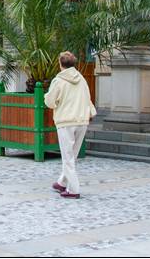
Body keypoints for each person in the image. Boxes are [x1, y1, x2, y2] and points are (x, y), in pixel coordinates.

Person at [43, 51, 97, 199]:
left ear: (60, 64)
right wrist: (91, 112)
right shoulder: (82, 79)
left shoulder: (58, 81)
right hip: (82, 120)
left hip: (66, 122)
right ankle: (62, 182)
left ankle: (73, 189)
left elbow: (50, 102)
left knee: (67, 157)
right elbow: (87, 97)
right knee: (72, 155)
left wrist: (46, 96)